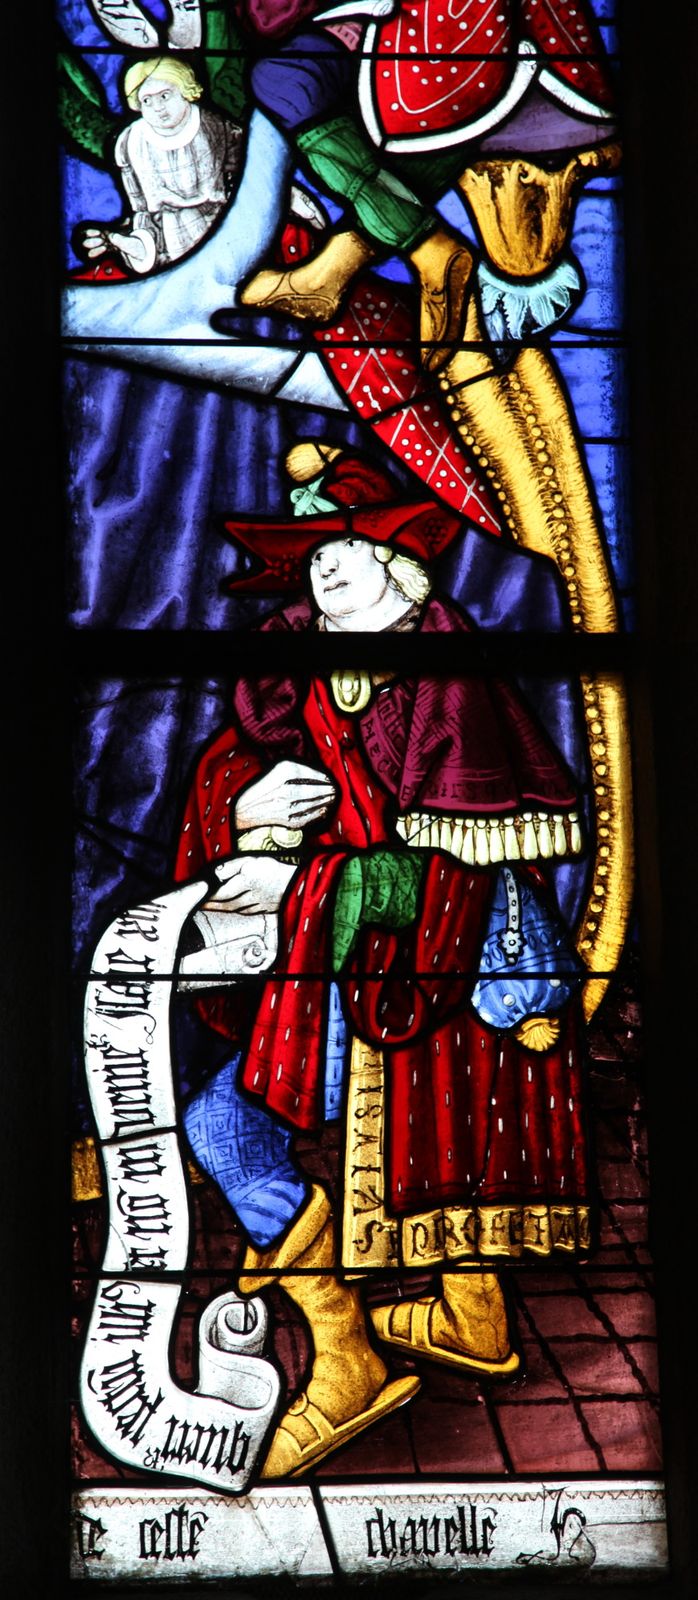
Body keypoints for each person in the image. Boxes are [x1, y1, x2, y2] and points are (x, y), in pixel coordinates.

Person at [174, 440, 592, 1481]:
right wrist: (249, 810)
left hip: (439, 962)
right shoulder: (303, 676)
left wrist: (350, 874)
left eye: (347, 554)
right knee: (238, 1122)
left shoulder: (452, 680)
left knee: (266, 1125)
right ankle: (356, 1337)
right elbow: (236, 772)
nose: (325, 572)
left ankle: (404, 1336)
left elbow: (468, 834)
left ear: (404, 575)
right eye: (314, 559)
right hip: (348, 953)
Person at [80, 56, 244, 273]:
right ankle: (139, 247)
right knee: (166, 250)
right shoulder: (131, 141)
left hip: (219, 219)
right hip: (167, 228)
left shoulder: (217, 127)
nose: (158, 107)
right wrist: (142, 233)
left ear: (185, 91)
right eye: (147, 101)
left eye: (165, 96)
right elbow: (140, 205)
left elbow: (239, 179)